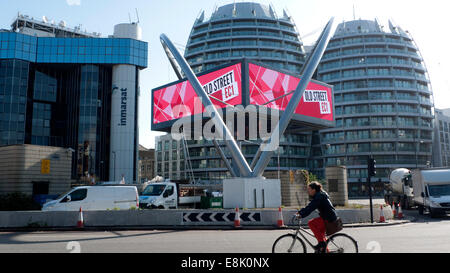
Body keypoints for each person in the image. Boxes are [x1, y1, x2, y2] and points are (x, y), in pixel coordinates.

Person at [296, 181, 338, 253]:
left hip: (328, 217)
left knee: (311, 223)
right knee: (321, 236)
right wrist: (300, 212)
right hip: (328, 216)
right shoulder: (319, 195)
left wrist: (301, 215)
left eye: (309, 189)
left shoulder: (319, 196)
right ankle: (324, 250)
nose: (308, 191)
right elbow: (309, 206)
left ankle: (322, 244)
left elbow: (311, 208)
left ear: (314, 189)